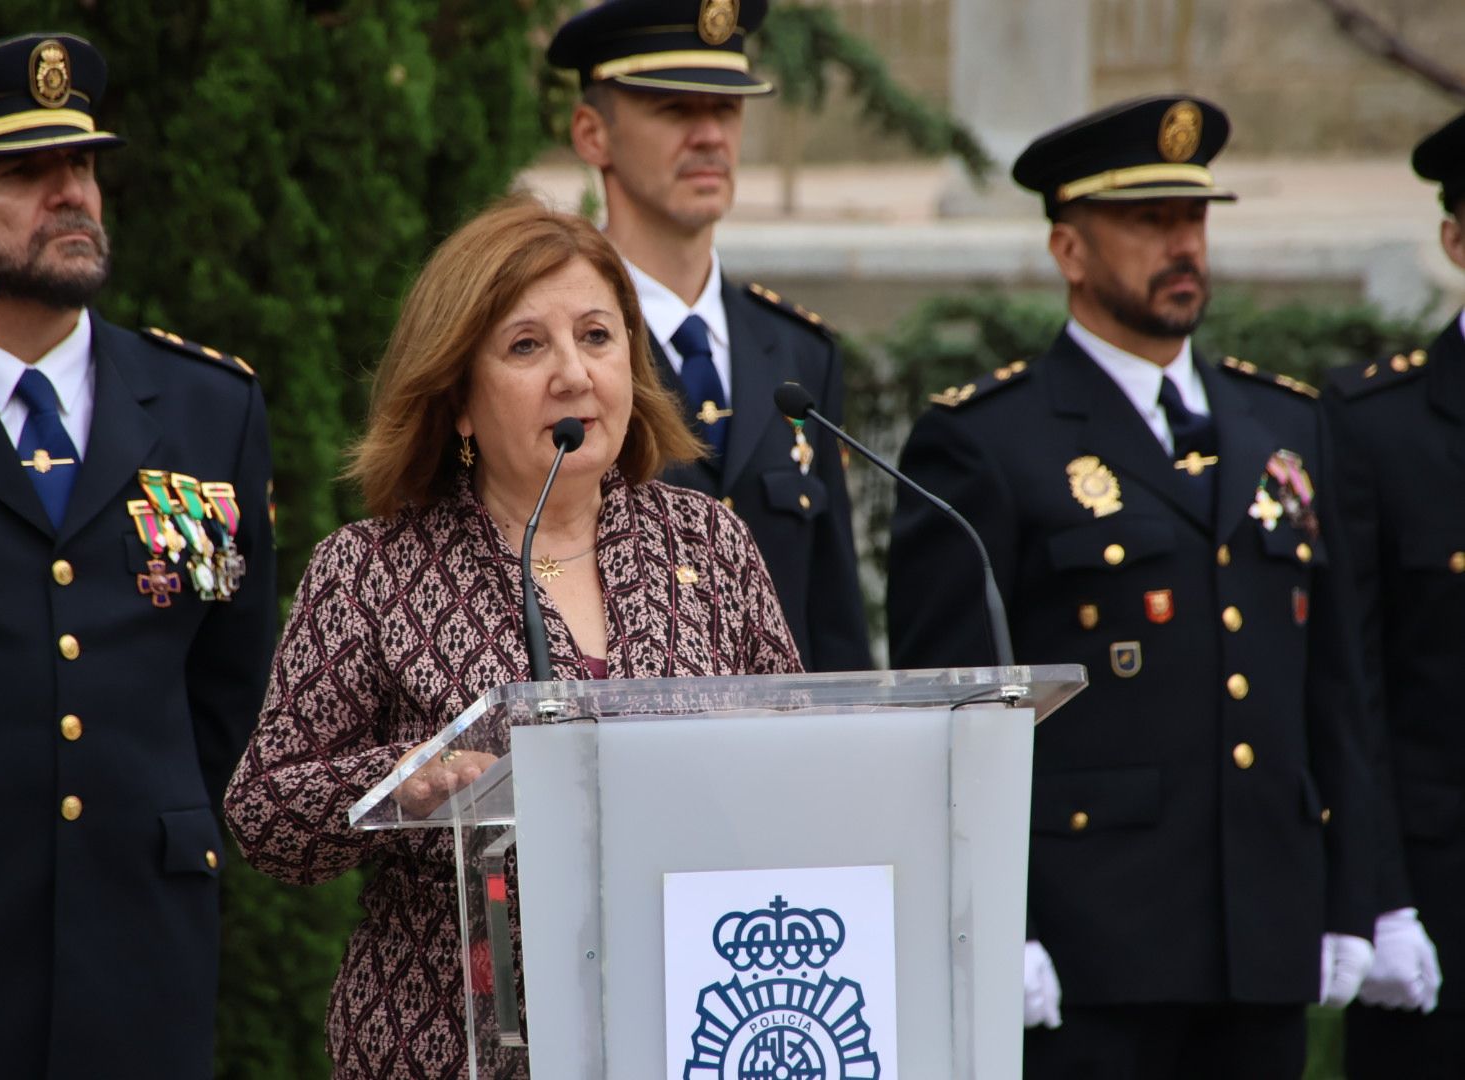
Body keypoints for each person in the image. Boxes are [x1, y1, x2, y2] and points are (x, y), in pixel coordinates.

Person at [223, 196, 801, 1079]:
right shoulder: (371, 570)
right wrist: (400, 783)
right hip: (448, 1046)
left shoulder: (707, 542)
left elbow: (799, 754)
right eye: (528, 346)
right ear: (458, 400)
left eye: (598, 337)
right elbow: (264, 815)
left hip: (694, 1028)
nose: (574, 374)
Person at [885, 96, 1383, 1077]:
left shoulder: (1281, 423)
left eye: (1193, 219)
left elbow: (1335, 688)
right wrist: (990, 918)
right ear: (1070, 249)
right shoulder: (988, 442)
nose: (1183, 245)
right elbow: (952, 713)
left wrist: (1357, 892)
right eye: (1149, 222)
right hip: (1090, 952)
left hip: (1263, 943)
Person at [0, 34, 277, 1078]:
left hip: (142, 964)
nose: (71, 193)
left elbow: (227, 685)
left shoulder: (203, 410)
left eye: (80, 164)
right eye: (22, 173)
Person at [547, 0, 872, 672]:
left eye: (725, 110)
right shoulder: (558, 356)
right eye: (673, 110)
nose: (709, 137)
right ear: (591, 135)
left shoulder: (799, 354)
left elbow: (834, 621)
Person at [1321, 108, 1465, 1079]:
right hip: (1443, 902)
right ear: (1455, 239)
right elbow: (1350, 682)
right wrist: (1376, 899)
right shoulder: (1378, 425)